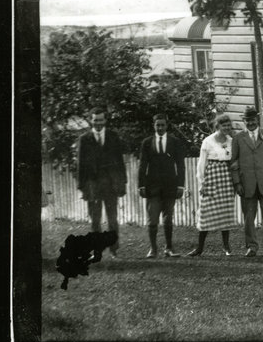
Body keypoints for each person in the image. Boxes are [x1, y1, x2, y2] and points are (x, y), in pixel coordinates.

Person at [230, 107, 263, 257]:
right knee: (249, 219)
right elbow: (233, 163)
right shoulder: (238, 138)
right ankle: (252, 247)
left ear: (257, 120)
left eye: (253, 119)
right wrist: (237, 183)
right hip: (246, 185)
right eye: (247, 120)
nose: (250, 123)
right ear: (244, 121)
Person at [76, 108, 126, 258]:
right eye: (95, 120)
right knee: (95, 220)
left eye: (100, 120)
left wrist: (123, 182)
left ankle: (114, 249)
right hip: (93, 185)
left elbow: (119, 161)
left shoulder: (113, 137)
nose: (98, 123)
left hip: (110, 185)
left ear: (105, 120)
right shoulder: (84, 139)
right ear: (91, 120)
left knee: (112, 219)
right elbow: (81, 165)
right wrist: (81, 186)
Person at [187, 113, 237, 257]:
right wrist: (201, 182)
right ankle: (199, 248)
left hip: (226, 179)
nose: (227, 128)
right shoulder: (208, 141)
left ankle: (226, 246)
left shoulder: (231, 141)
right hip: (211, 178)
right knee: (205, 213)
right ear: (218, 126)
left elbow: (233, 160)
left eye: (228, 125)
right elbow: (202, 164)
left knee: (225, 212)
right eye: (224, 125)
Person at [138, 113, 186, 258]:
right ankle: (153, 249)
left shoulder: (174, 141)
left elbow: (180, 165)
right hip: (152, 187)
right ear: (154, 126)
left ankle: (169, 248)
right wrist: (141, 185)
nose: (160, 128)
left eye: (162, 125)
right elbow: (142, 165)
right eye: (157, 125)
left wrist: (180, 186)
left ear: (167, 125)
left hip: (170, 186)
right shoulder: (147, 142)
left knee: (168, 218)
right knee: (152, 219)